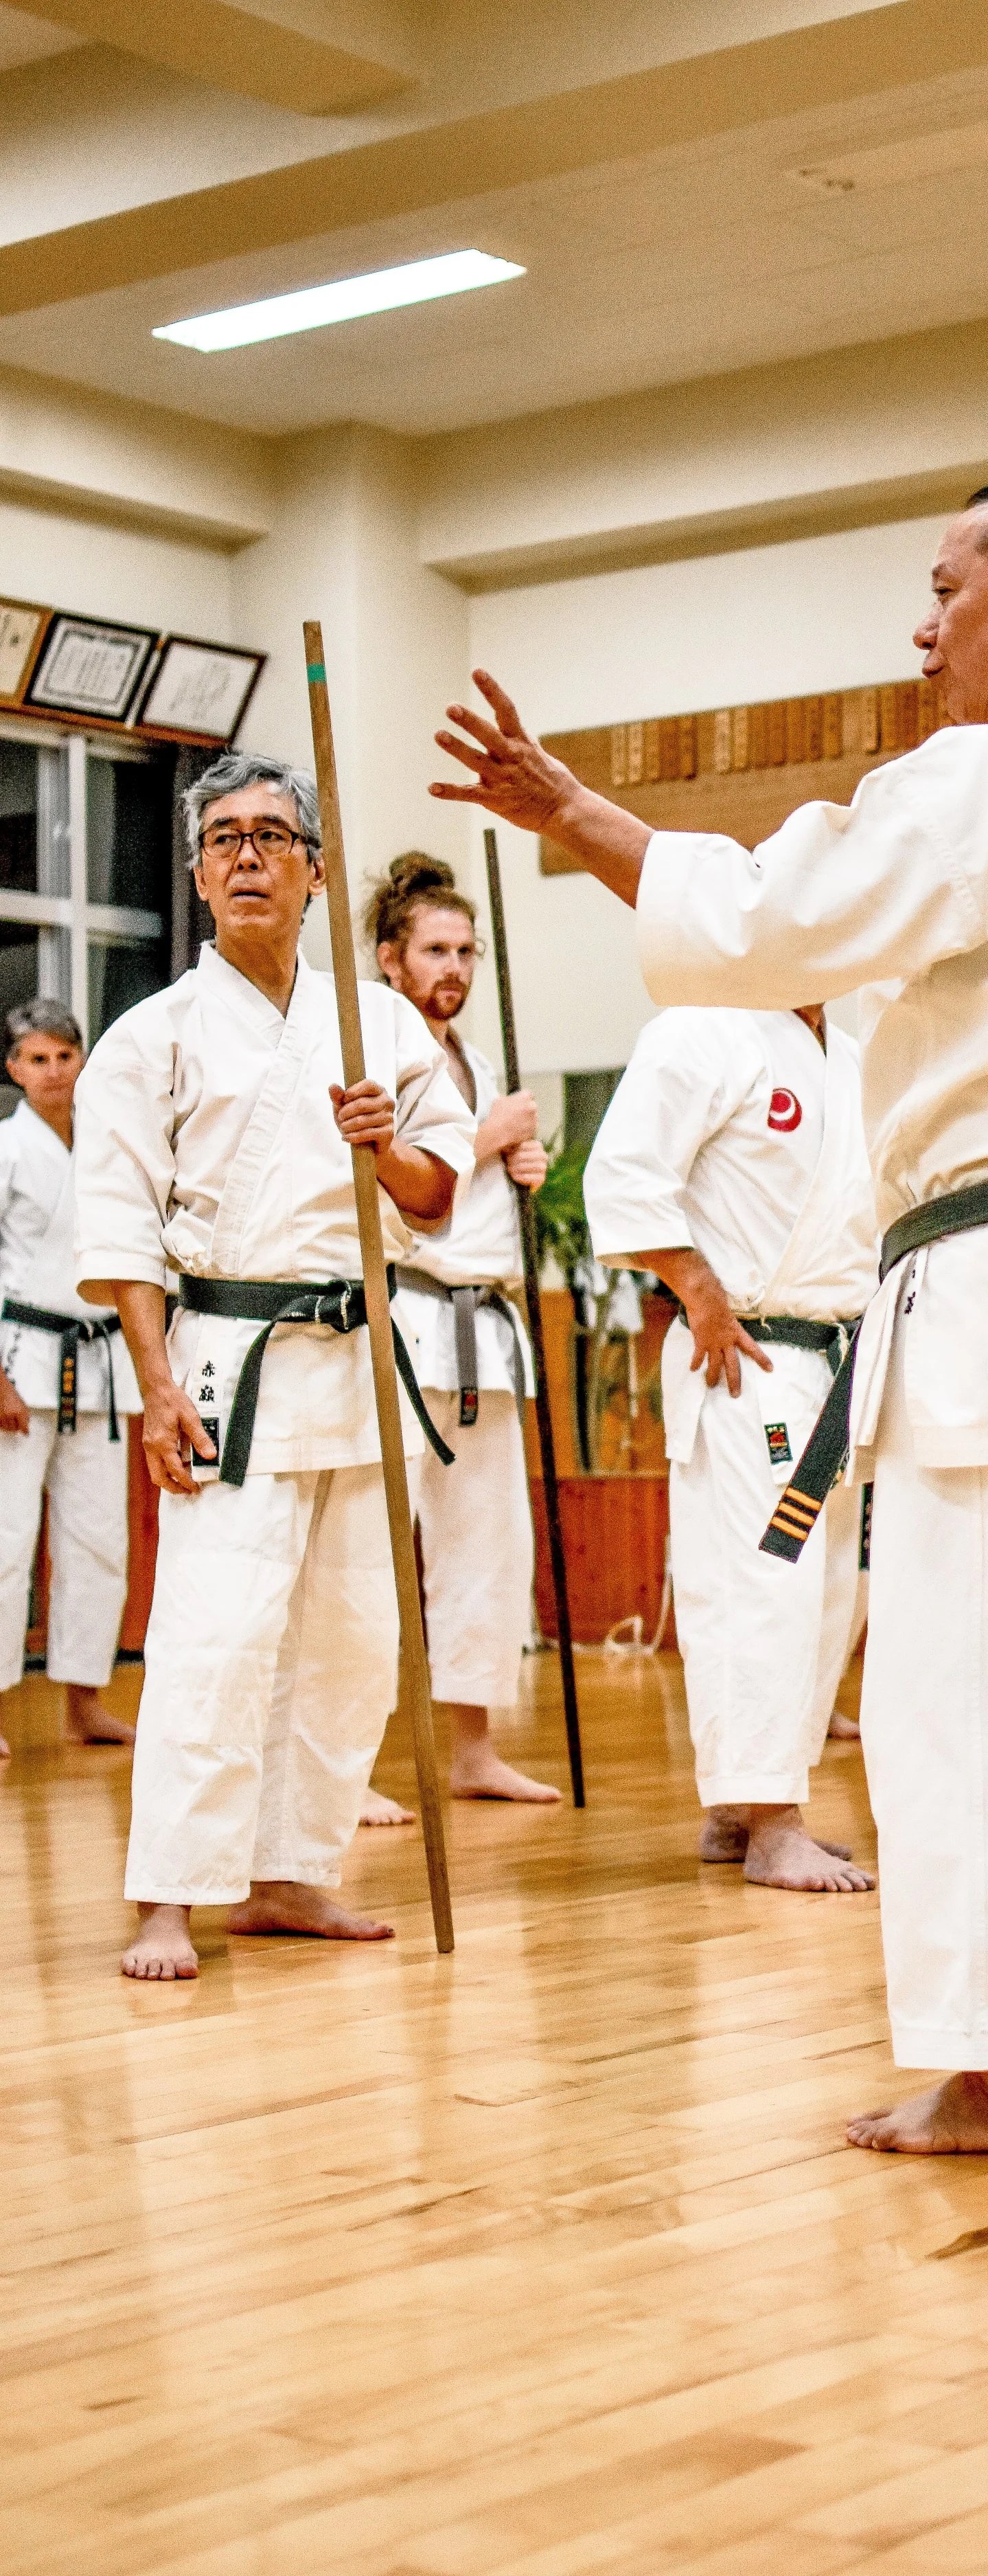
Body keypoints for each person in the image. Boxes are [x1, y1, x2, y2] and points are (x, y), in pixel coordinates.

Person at [432, 475, 988, 2154]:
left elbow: (769, 921)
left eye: (946, 583)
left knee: (974, 1687)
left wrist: (582, 813)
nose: (921, 620)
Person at [73, 751, 474, 1982]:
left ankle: (293, 1872)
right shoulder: (153, 1038)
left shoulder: (379, 1020)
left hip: (358, 1353)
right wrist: (153, 1386)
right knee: (215, 1630)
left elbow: (440, 1195)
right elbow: (124, 1233)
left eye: (272, 838)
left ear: (312, 871)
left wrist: (383, 1148)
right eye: (225, 840)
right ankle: (169, 1894)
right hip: (226, 1356)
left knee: (356, 1630)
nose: (248, 857)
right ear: (199, 875)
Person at [583, 1000, 876, 1890]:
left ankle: (742, 1805)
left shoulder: (855, 1046)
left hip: (836, 1356)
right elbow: (624, 1176)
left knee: (829, 1592)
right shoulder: (704, 1027)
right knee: (763, 1586)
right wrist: (698, 1287)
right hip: (745, 1352)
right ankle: (771, 1820)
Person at [362, 852, 558, 1817]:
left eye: (468, 950)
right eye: (436, 948)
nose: (455, 966)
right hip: (404, 1316)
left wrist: (522, 1164)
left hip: (487, 1325)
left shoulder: (480, 1064)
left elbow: (479, 1192)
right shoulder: (371, 1048)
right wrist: (483, 1140)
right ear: (392, 958)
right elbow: (377, 1187)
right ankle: (343, 1767)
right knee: (371, 1544)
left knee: (486, 1545)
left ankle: (473, 1747)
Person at [0, 1000, 140, 1764]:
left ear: (83, 1061)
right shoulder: (6, 1150)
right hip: (21, 1361)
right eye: (37, 1059)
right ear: (14, 1070)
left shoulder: (110, 1147)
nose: (54, 1072)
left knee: (98, 1541)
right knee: (5, 1541)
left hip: (99, 1366)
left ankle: (86, 1701)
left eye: (65, 1057)